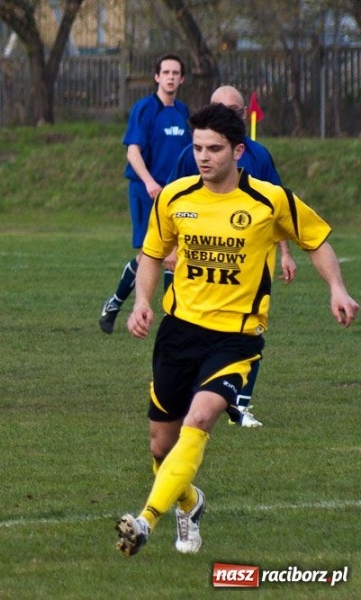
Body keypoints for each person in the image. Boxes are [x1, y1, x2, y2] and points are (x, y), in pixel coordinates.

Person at [115, 103, 358, 557]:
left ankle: (146, 521)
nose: (203, 157)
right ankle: (190, 502)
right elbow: (152, 253)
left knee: (201, 417)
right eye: (198, 147)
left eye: (215, 149)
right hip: (179, 332)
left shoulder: (270, 199)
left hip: (236, 339)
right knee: (161, 448)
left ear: (238, 150)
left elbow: (317, 241)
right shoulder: (175, 196)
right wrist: (143, 302)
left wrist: (337, 289)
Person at [169, 84, 296, 427]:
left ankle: (238, 405)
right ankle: (195, 393)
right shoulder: (192, 155)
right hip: (202, 261)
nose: (205, 154)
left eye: (234, 111)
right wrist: (173, 248)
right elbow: (171, 206)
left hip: (251, 264)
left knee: (249, 332)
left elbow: (281, 209)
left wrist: (285, 253)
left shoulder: (258, 155)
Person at [99, 54, 191, 334]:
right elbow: (132, 150)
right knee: (152, 252)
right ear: (157, 77)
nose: (171, 77)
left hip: (175, 195)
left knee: (173, 253)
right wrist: (150, 182)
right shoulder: (145, 109)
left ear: (182, 79)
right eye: (166, 72)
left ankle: (160, 315)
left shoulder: (184, 113)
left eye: (176, 72)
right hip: (146, 191)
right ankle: (118, 303)